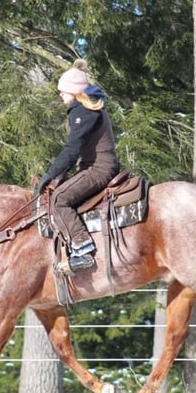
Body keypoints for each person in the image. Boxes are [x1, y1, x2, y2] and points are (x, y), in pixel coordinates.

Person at [36, 58, 120, 271]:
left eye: (62, 91)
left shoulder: (82, 111)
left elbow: (72, 149)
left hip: (99, 168)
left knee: (58, 200)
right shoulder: (88, 109)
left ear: (74, 92)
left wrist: (51, 174)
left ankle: (83, 248)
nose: (60, 94)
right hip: (95, 166)